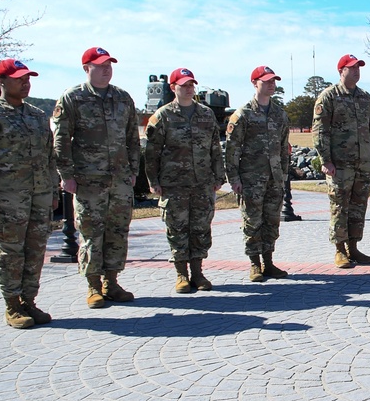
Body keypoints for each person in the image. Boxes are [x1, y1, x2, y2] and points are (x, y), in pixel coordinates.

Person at [0, 59, 57, 328]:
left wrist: (52, 190)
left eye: (28, 78)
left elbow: (49, 158)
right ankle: (12, 305)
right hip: (8, 199)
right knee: (11, 251)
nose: (25, 82)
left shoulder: (38, 116)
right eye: (19, 78)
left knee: (36, 250)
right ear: (2, 81)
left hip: (39, 196)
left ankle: (29, 300)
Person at [53, 47, 139, 307]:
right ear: (86, 68)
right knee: (92, 234)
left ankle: (111, 283)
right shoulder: (73, 98)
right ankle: (93, 286)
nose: (106, 69)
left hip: (120, 180)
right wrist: (66, 175)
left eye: (109, 65)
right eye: (100, 65)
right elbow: (61, 140)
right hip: (89, 181)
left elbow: (132, 139)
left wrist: (133, 171)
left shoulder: (123, 98)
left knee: (117, 232)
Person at [144, 68, 226, 293]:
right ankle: (181, 274)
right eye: (184, 85)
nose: (189, 89)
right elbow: (152, 153)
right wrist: (153, 180)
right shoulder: (163, 116)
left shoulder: (206, 114)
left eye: (191, 85)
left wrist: (219, 176)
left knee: (200, 228)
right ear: (173, 88)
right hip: (174, 183)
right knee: (177, 228)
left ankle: (198, 273)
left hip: (202, 182)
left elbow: (214, 148)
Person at [224, 65, 291, 282]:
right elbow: (232, 150)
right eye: (267, 81)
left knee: (271, 221)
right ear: (255, 83)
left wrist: (283, 176)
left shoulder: (280, 114)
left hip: (274, 179)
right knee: (252, 221)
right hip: (251, 179)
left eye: (274, 81)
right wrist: (233, 179)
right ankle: (254, 264)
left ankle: (269, 262)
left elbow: (283, 148)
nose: (272, 84)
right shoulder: (243, 115)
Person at [313, 54, 370, 268]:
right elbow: (320, 131)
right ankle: (340, 250)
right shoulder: (329, 97)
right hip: (339, 165)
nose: (356, 71)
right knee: (339, 207)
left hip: (362, 163)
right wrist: (326, 160)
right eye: (351, 68)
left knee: (359, 206)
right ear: (341, 71)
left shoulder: (365, 97)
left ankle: (354, 247)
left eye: (358, 67)